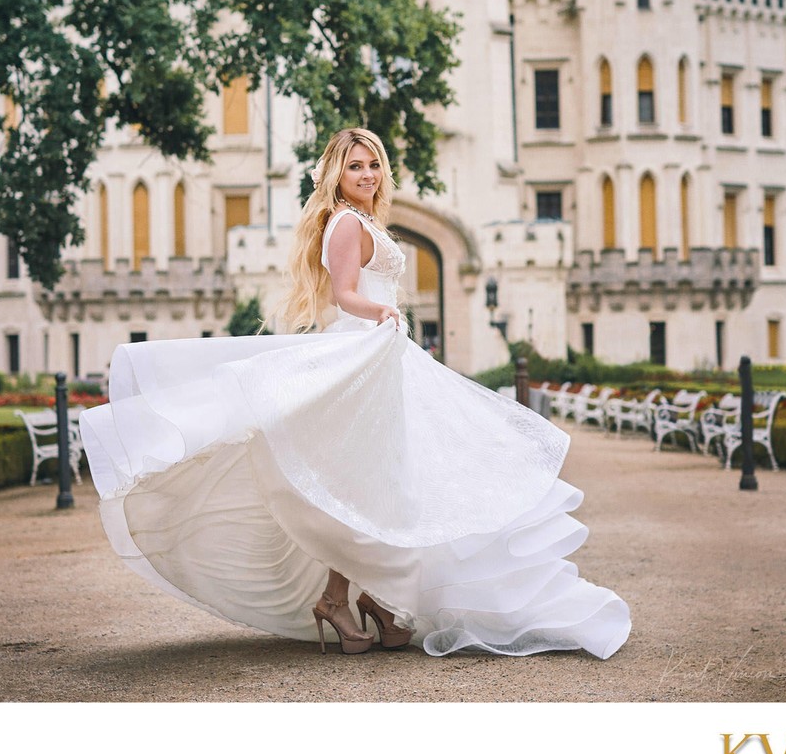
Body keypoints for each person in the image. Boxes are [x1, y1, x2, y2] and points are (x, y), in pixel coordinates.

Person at [80, 127, 631, 659]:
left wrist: (385, 320)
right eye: (354, 165)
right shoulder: (345, 223)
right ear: (336, 174)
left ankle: (355, 598)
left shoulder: (366, 219)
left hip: (380, 355)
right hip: (362, 352)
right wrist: (383, 311)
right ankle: (347, 598)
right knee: (363, 482)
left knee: (373, 483)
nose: (366, 174)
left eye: (372, 164)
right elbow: (345, 296)